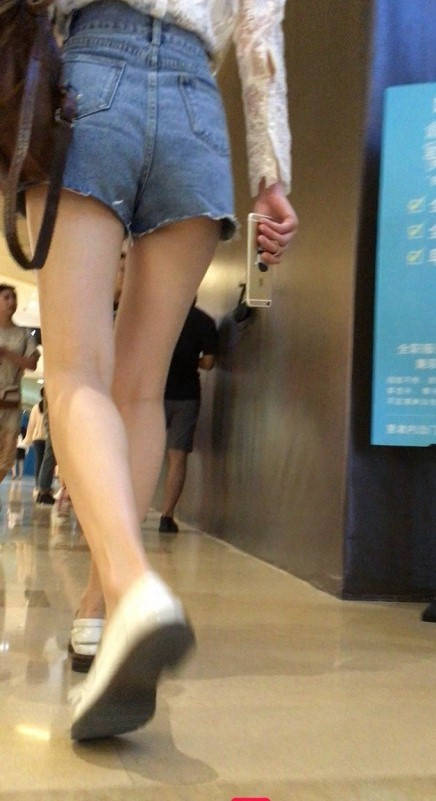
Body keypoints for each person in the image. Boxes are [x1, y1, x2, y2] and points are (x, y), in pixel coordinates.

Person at [25, 0, 298, 741]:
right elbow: (260, 36)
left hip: (88, 81)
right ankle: (99, 612)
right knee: (141, 390)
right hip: (196, 108)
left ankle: (132, 586)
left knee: (76, 371)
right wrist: (272, 177)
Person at [160, 300, 218, 533]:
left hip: (154, 395)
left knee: (142, 452)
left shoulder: (160, 316)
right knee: (178, 457)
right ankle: (167, 516)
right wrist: (191, 360)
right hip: (187, 396)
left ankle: (131, 511)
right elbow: (209, 362)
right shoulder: (204, 321)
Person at [0, 285, 40, 498]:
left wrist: (7, 354)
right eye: (6, 297)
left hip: (10, 402)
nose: (11, 302)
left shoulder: (24, 334)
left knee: (6, 457)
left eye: (13, 297)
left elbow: (32, 364)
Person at [22, 388, 48, 497]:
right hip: (45, 439)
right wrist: (27, 439)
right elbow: (31, 424)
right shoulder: (41, 407)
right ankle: (41, 486)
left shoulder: (36, 407)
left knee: (40, 462)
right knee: (45, 463)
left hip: (38, 439)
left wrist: (28, 439)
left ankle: (39, 486)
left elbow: (31, 425)